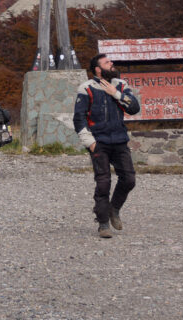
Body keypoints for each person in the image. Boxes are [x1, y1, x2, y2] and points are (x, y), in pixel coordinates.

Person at [73, 53, 140, 238]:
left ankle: (114, 209)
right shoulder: (86, 88)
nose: (112, 64)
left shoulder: (121, 85)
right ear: (97, 69)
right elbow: (79, 119)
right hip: (99, 142)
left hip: (119, 140)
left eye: (111, 62)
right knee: (103, 183)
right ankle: (103, 224)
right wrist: (90, 143)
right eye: (107, 62)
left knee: (129, 179)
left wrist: (116, 94)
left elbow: (134, 108)